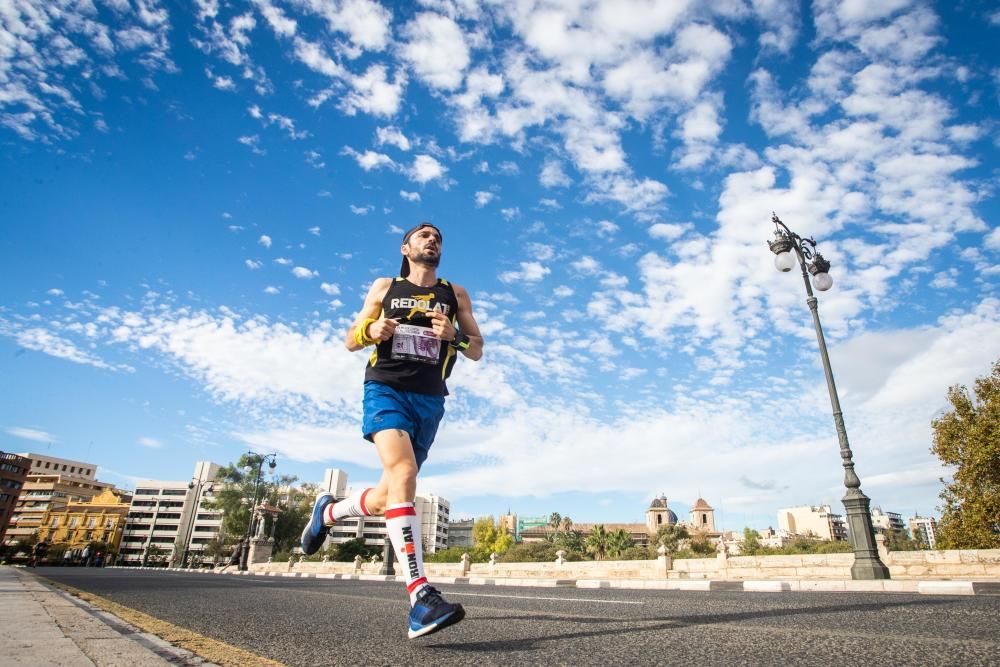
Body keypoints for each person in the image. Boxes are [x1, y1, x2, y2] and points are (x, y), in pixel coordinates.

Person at [301, 222, 483, 639]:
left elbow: (477, 349)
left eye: (438, 237)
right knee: (404, 475)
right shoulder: (385, 288)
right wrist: (372, 331)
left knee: (389, 495)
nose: (432, 240)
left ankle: (328, 512)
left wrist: (454, 337)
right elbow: (350, 339)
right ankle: (420, 596)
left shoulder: (455, 295)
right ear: (406, 247)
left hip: (430, 399)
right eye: (424, 235)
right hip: (385, 389)